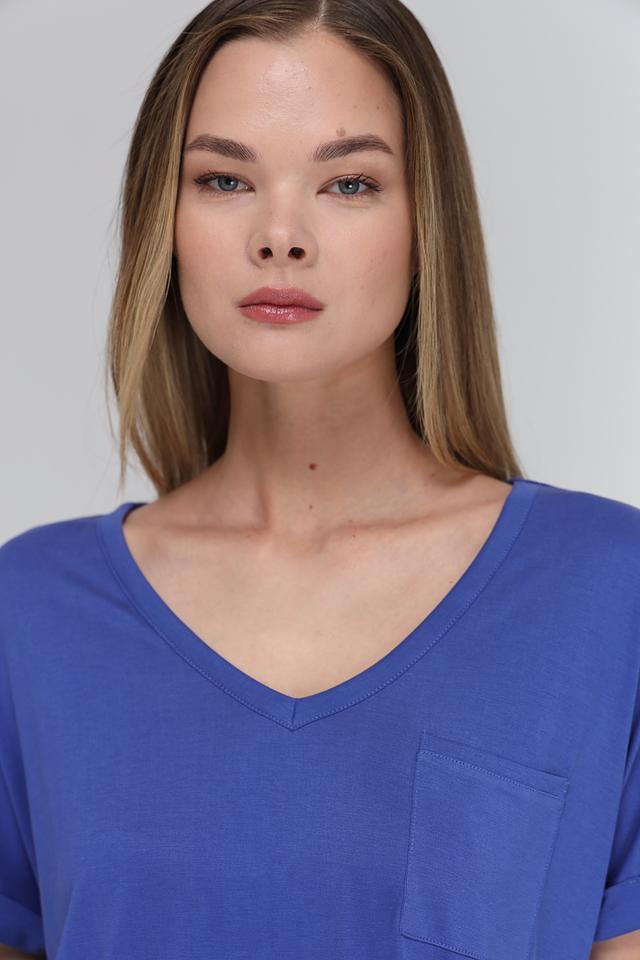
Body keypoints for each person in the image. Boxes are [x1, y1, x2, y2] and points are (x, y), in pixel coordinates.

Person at [1, 2, 639, 958]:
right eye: (224, 179)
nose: (280, 235)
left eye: (348, 182)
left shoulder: (607, 595)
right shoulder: (32, 616)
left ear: (426, 222)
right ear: (161, 220)